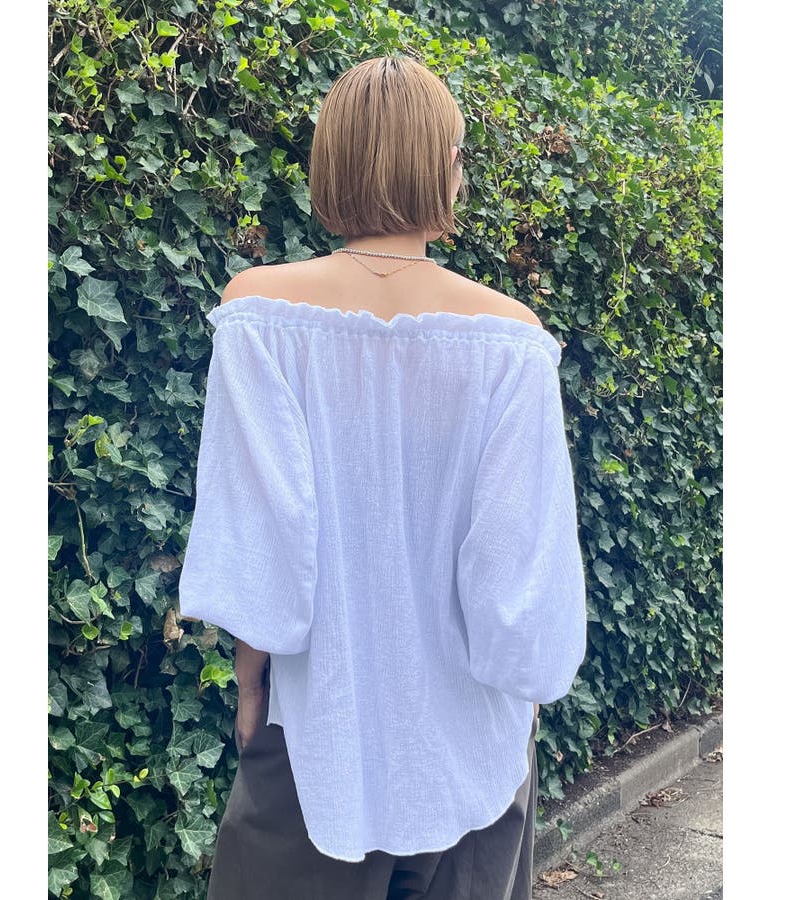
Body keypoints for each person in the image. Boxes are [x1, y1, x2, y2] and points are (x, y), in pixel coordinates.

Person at [178, 54, 587, 900]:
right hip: (476, 750)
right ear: (445, 167)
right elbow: (521, 566)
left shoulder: (260, 316)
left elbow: (262, 544)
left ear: (330, 161)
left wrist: (250, 688)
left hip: (317, 735)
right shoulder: (511, 341)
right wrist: (527, 699)